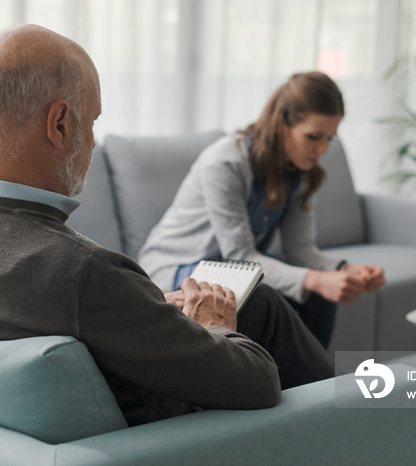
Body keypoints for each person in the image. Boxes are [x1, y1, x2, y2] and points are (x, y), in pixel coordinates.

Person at [0, 24, 416, 465]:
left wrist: (153, 309)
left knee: (264, 300)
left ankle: (390, 433)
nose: (95, 144)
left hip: (79, 398)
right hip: (177, 432)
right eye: (93, 122)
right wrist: (215, 328)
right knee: (256, 310)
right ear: (60, 124)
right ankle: (402, 439)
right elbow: (254, 383)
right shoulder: (81, 271)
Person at [138, 72, 384, 348]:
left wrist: (346, 270)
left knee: (317, 293)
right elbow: (241, 255)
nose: (323, 149)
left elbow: (300, 250)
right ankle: (303, 381)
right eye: (314, 137)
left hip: (231, 266)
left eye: (330, 138)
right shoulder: (225, 162)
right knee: (272, 293)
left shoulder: (300, 172)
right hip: (177, 266)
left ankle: (311, 388)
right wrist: (316, 280)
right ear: (281, 124)